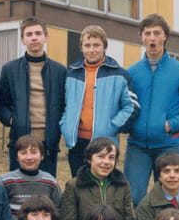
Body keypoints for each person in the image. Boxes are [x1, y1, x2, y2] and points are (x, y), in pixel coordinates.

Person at [124, 14, 179, 206]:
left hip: (168, 145)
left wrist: (171, 125)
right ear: (142, 37)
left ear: (165, 36)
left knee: (167, 198)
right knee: (133, 198)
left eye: (157, 33)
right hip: (137, 146)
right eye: (147, 33)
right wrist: (127, 125)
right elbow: (125, 106)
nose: (152, 38)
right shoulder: (131, 72)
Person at [59, 25, 138, 176]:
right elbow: (64, 105)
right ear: (81, 48)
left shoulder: (121, 75)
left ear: (104, 47)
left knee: (103, 185)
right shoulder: (72, 74)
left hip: (105, 143)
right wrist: (65, 125)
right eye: (87, 45)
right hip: (77, 142)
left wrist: (112, 125)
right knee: (79, 184)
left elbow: (132, 106)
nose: (92, 50)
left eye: (96, 45)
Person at [0, 17, 66, 176]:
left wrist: (59, 125)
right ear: (22, 40)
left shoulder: (60, 71)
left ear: (46, 37)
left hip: (48, 143)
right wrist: (12, 120)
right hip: (20, 140)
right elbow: (1, 104)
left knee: (45, 186)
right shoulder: (10, 69)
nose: (34, 38)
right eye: (29, 34)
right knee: (17, 186)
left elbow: (65, 105)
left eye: (38, 33)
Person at [61, 137, 138, 220]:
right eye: (101, 156)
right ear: (89, 159)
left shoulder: (123, 185)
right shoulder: (73, 186)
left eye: (111, 158)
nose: (106, 162)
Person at [0, 135, 62, 216]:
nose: (29, 157)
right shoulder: (5, 181)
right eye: (23, 153)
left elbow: (58, 211)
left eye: (34, 152)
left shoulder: (50, 182)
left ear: (42, 156)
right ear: (16, 157)